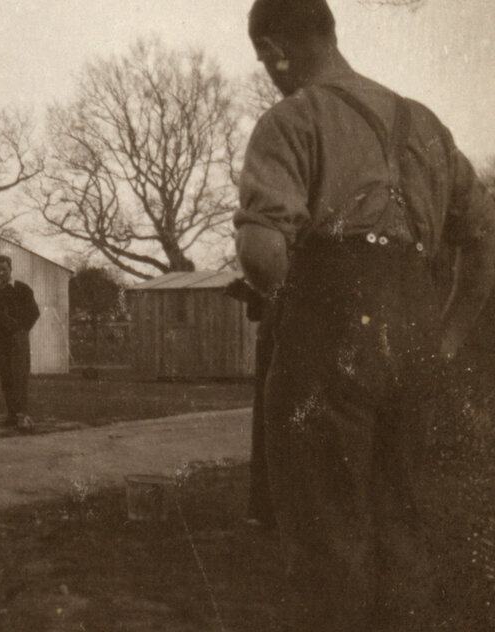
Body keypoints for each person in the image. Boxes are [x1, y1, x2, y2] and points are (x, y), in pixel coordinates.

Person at [235, 0, 495, 629]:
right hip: (416, 340)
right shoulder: (426, 125)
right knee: (403, 525)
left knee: (325, 533)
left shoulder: (292, 119)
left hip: (330, 337)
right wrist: (451, 334)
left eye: (265, 56)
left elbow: (262, 251)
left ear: (275, 49)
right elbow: (484, 238)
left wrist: (293, 306)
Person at [223, 277, 276, 530]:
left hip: (284, 347)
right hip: (271, 346)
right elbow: (257, 314)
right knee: (266, 429)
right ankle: (265, 510)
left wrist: (257, 298)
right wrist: (254, 297)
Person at [0, 254, 40, 429]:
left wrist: (21, 330)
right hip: (0, 342)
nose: (1, 273)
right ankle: (11, 415)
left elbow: (34, 312)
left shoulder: (22, 289)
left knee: (19, 377)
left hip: (17, 340)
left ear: (11, 269)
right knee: (7, 379)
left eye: (4, 269)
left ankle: (22, 416)